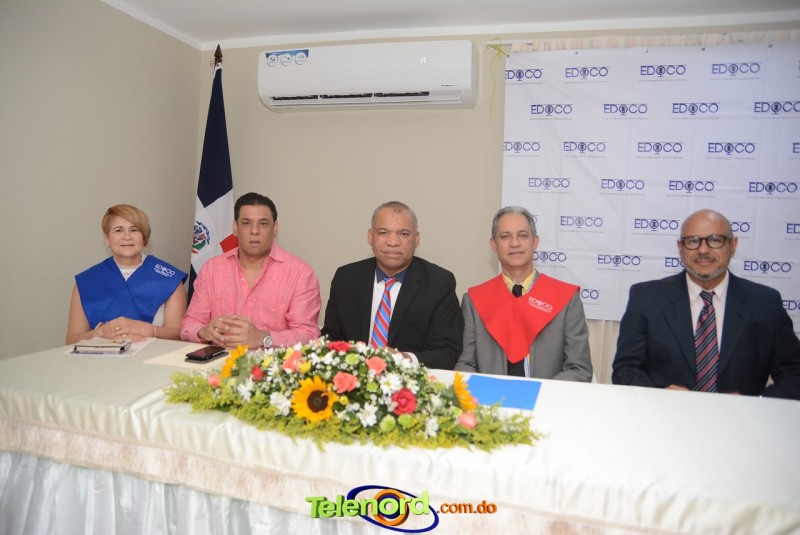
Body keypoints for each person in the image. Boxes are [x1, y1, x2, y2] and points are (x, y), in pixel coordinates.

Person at [613, 208, 800, 399]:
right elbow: (625, 370)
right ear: (680, 247)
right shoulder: (646, 299)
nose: (703, 250)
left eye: (715, 240)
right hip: (663, 414)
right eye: (693, 241)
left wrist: (753, 403)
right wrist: (661, 397)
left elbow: (794, 374)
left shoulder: (766, 303)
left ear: (733, 245)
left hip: (741, 416)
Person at [455, 206, 592, 381]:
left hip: (548, 396)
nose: (515, 243)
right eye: (505, 236)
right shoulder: (474, 301)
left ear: (535, 242)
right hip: (491, 396)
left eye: (523, 235)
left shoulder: (566, 299)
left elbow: (579, 369)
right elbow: (465, 365)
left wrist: (540, 392)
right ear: (494, 244)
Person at [322, 201, 463, 369]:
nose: (393, 241)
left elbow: (447, 352)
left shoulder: (439, 283)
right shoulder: (346, 278)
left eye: (403, 233)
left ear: (416, 239)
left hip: (412, 380)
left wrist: (405, 359)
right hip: (352, 377)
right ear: (370, 236)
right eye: (383, 232)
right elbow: (330, 339)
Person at [181, 192, 321, 348]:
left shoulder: (300, 274)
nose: (255, 231)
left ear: (275, 228)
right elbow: (190, 324)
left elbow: (308, 335)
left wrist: (263, 338)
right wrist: (204, 331)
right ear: (235, 227)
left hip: (272, 362)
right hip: (218, 359)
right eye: (247, 223)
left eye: (263, 224)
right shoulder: (212, 269)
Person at [66, 204, 187, 344]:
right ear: (107, 238)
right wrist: (99, 333)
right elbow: (71, 341)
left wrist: (149, 330)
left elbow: (179, 335)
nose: (127, 237)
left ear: (144, 237)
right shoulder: (86, 282)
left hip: (153, 355)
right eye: (118, 230)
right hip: (99, 356)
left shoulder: (170, 278)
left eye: (134, 230)